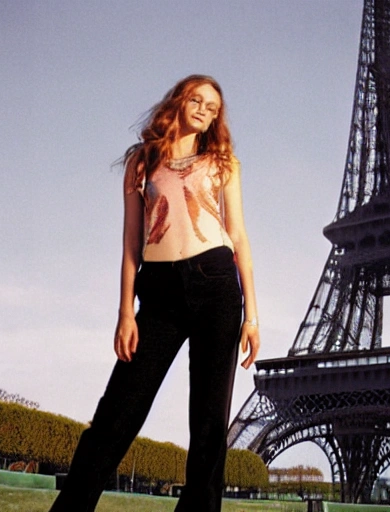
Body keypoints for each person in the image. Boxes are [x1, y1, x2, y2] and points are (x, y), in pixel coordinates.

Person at [48, 74, 260, 512]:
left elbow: (239, 237)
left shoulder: (223, 162)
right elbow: (131, 242)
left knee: (208, 420)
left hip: (218, 285)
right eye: (198, 100)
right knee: (118, 411)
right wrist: (125, 312)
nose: (205, 110)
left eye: (214, 107)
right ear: (180, 100)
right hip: (159, 291)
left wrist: (252, 316)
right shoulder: (141, 162)